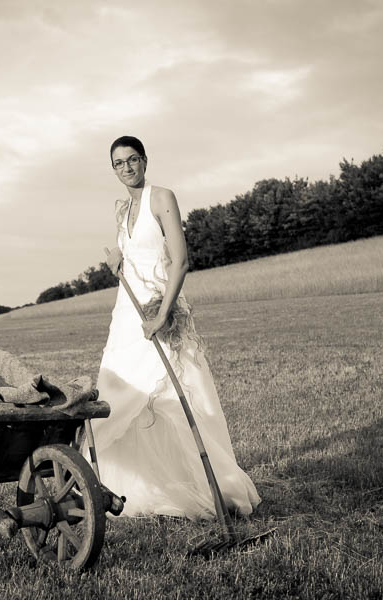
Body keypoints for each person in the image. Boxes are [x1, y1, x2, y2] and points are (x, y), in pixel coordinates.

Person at [92, 135, 261, 519]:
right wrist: (117, 262)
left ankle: (210, 484)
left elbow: (180, 262)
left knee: (178, 399)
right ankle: (133, 487)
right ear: (113, 169)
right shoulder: (122, 212)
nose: (127, 168)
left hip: (159, 312)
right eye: (119, 163)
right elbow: (134, 258)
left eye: (133, 160)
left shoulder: (161, 197)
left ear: (145, 160)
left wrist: (163, 315)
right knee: (119, 395)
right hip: (126, 318)